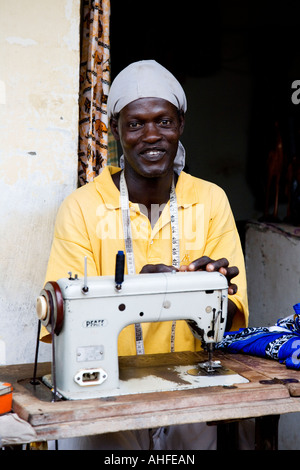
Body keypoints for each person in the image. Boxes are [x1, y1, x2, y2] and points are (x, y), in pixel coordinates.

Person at [42, 60, 249, 449]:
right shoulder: (83, 208)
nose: (151, 135)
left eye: (163, 122)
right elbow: (59, 326)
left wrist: (207, 292)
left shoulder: (210, 200)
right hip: (104, 392)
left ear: (181, 125)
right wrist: (142, 290)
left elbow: (233, 321)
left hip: (190, 392)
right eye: (135, 124)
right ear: (115, 131)